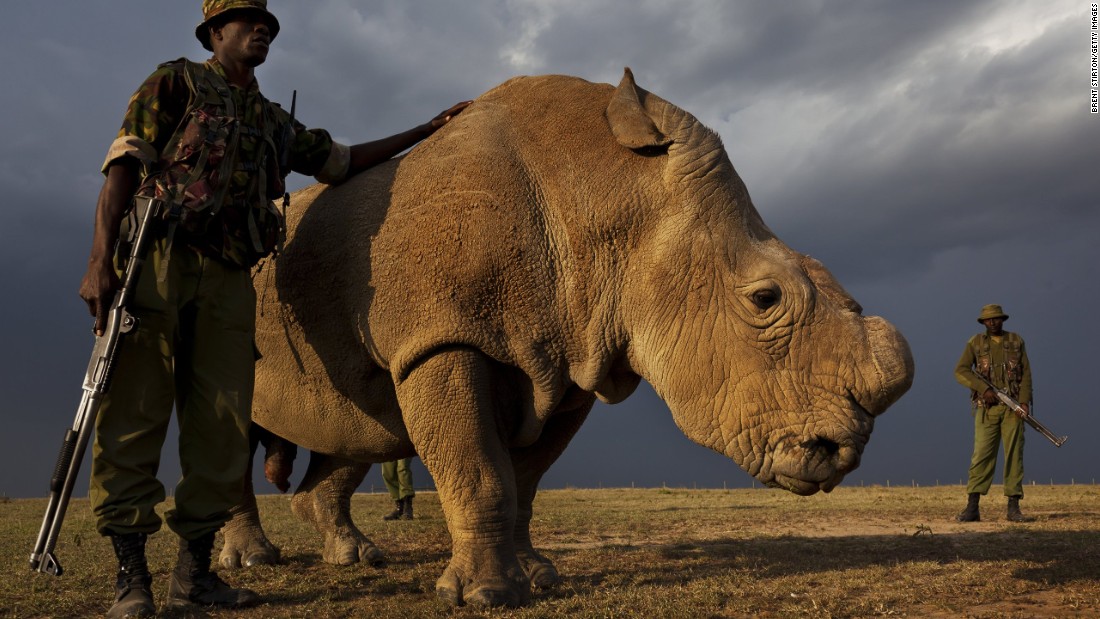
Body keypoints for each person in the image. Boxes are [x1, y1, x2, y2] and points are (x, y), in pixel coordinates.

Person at [78, 2, 469, 616]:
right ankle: (132, 579)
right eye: (246, 21)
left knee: (223, 424)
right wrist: (100, 259)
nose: (261, 29)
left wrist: (426, 128)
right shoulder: (174, 82)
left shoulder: (273, 121)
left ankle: (195, 577)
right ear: (215, 33)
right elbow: (123, 164)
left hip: (234, 279)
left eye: (268, 23)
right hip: (157, 261)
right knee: (134, 412)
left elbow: (342, 161)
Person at [953, 304, 1034, 524]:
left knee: (1014, 455)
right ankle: (972, 507)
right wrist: (984, 389)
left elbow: (1026, 374)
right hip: (985, 409)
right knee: (981, 455)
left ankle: (1013, 508)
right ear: (983, 323)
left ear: (1002, 319)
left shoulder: (1016, 341)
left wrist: (1025, 402)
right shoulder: (975, 343)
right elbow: (960, 370)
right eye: (988, 320)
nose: (993, 322)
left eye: (996, 319)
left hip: (1013, 408)